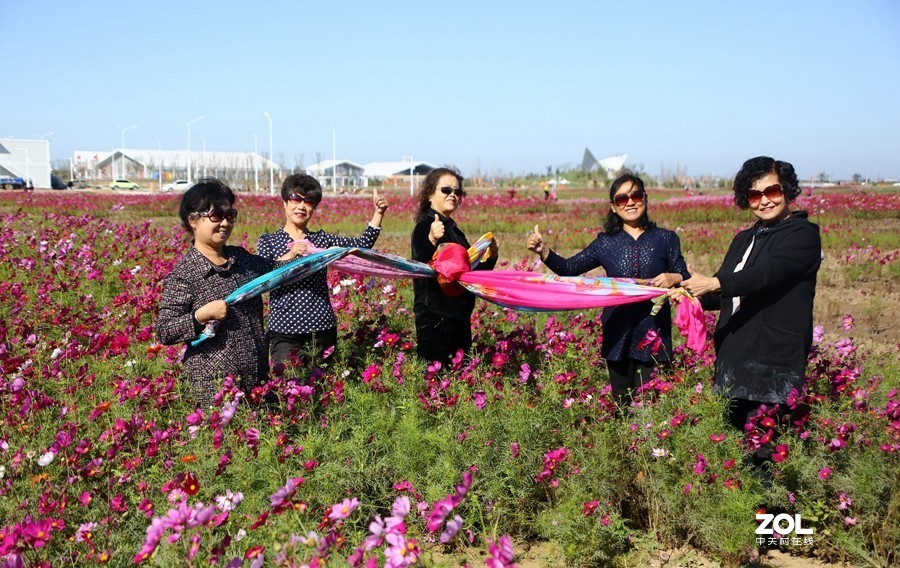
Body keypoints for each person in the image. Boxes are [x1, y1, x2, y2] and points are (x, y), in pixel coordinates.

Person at [681, 156, 821, 433]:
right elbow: (725, 294)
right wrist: (690, 291)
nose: (764, 201)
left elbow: (766, 274)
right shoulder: (744, 239)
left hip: (774, 362)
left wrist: (714, 283)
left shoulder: (802, 236)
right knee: (734, 449)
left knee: (764, 454)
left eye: (772, 191)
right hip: (734, 357)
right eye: (755, 195)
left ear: (788, 190)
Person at [527, 173, 688, 407]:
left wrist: (673, 277)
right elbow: (570, 268)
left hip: (653, 330)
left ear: (645, 198)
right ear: (613, 207)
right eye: (622, 199)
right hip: (618, 331)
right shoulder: (606, 243)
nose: (630, 202)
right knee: (621, 403)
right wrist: (544, 251)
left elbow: (685, 276)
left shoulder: (666, 239)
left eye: (635, 196)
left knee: (652, 405)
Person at [157, 178, 303, 407]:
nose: (225, 223)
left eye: (230, 215)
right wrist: (201, 315)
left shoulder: (241, 258)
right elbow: (165, 331)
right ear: (193, 220)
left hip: (255, 378)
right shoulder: (184, 274)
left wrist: (300, 253)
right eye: (216, 215)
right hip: (214, 388)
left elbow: (272, 270)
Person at [257, 173, 389, 367]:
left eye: (308, 201)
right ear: (285, 202)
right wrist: (291, 255)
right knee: (286, 384)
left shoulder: (322, 240)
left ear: (314, 207)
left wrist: (378, 214)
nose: (301, 206)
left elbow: (362, 246)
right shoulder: (268, 241)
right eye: (295, 199)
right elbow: (265, 277)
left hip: (321, 328)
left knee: (321, 387)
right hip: (284, 331)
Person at [411, 166, 498, 364]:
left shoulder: (455, 231)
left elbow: (469, 276)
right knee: (436, 379)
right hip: (435, 318)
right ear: (430, 194)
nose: (453, 195)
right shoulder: (425, 226)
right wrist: (432, 238)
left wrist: (491, 257)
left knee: (458, 380)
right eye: (446, 190)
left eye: (457, 191)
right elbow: (418, 264)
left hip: (459, 316)